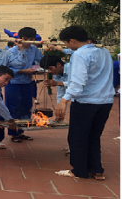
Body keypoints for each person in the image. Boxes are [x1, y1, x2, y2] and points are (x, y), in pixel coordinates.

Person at [54, 26, 114, 180]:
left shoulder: (80, 55)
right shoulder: (104, 52)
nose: (67, 47)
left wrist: (64, 100)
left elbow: (78, 82)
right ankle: (96, 169)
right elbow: (77, 52)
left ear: (72, 40)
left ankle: (79, 171)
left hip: (86, 102)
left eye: (66, 43)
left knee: (78, 137)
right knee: (94, 136)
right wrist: (61, 49)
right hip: (105, 101)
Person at [6, 27, 42, 143]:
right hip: (13, 83)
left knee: (26, 107)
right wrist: (22, 71)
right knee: (13, 107)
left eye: (31, 39)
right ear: (20, 38)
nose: (28, 41)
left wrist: (34, 68)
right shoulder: (12, 51)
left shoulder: (34, 50)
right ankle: (13, 133)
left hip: (27, 82)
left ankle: (21, 132)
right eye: (25, 39)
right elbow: (7, 68)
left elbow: (40, 62)